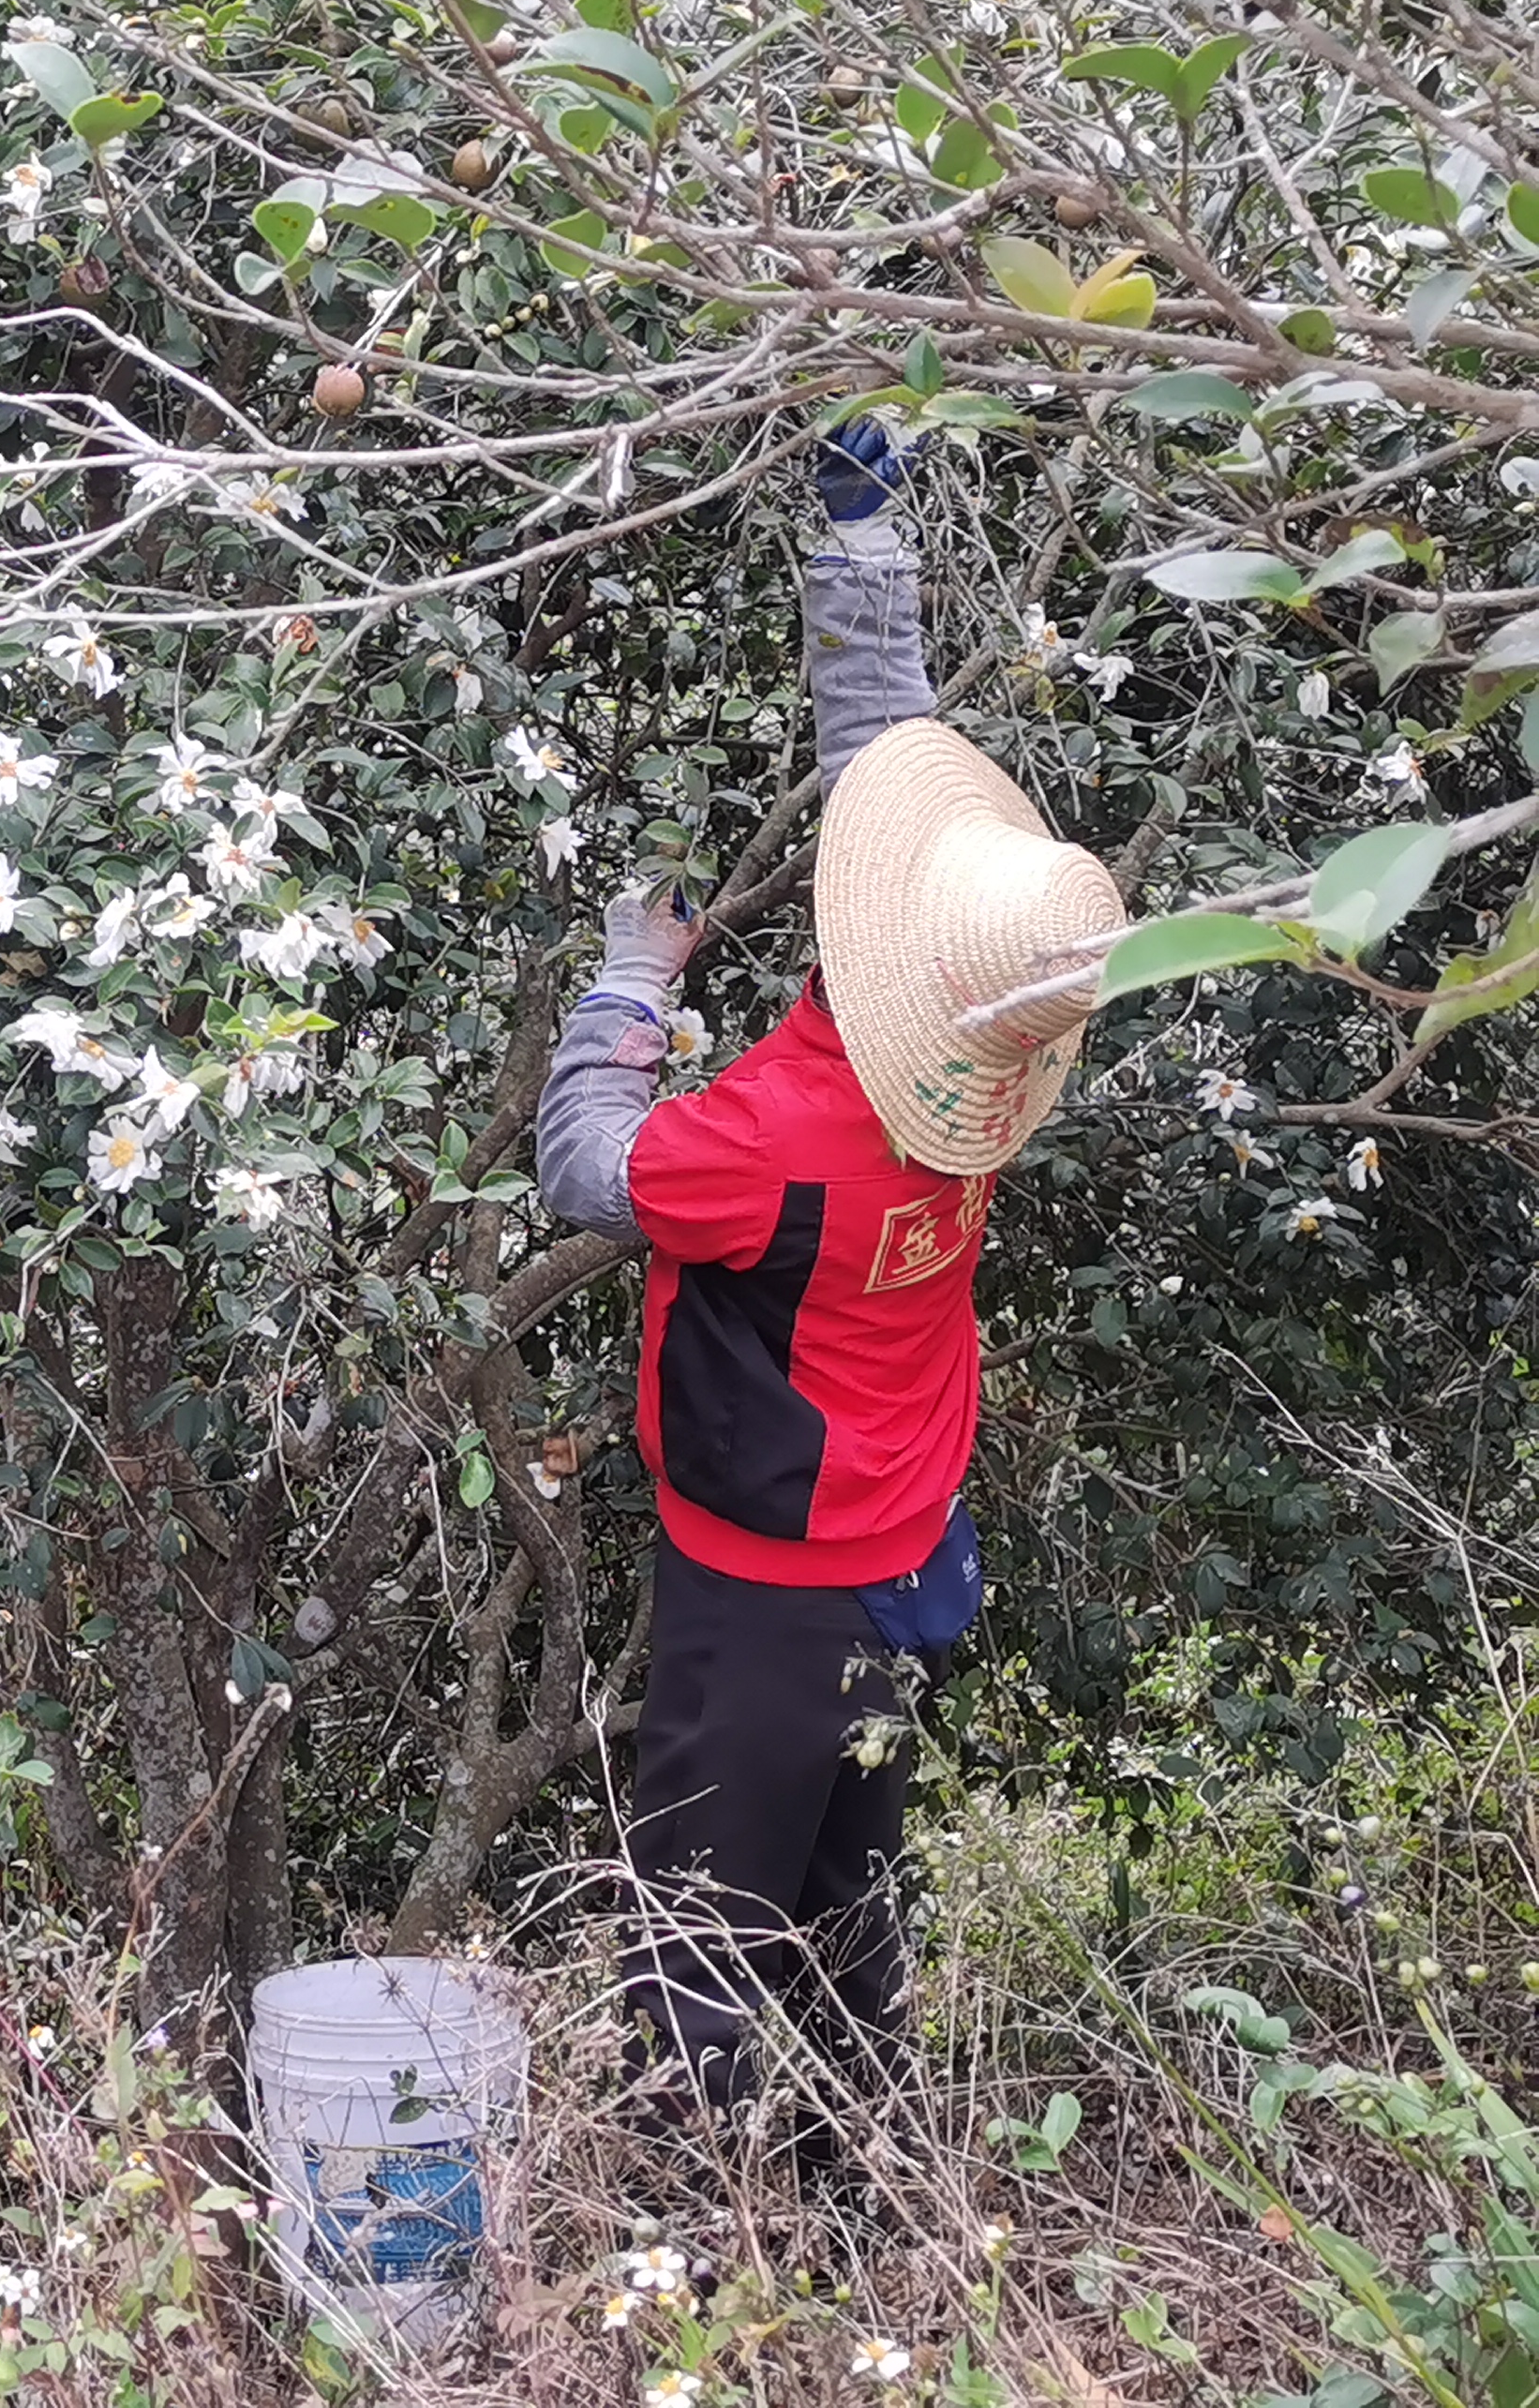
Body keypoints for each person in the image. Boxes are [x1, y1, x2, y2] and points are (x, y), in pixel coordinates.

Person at [532, 426, 1123, 2131]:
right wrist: (858, 544)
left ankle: (692, 2254)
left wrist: (624, 989)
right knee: (849, 1916)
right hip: (896, 1543)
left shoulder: (781, 1134)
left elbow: (585, 1166)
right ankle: (866, 2211)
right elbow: (885, 768)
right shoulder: (978, 1089)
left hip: (765, 1585)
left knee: (699, 1932)